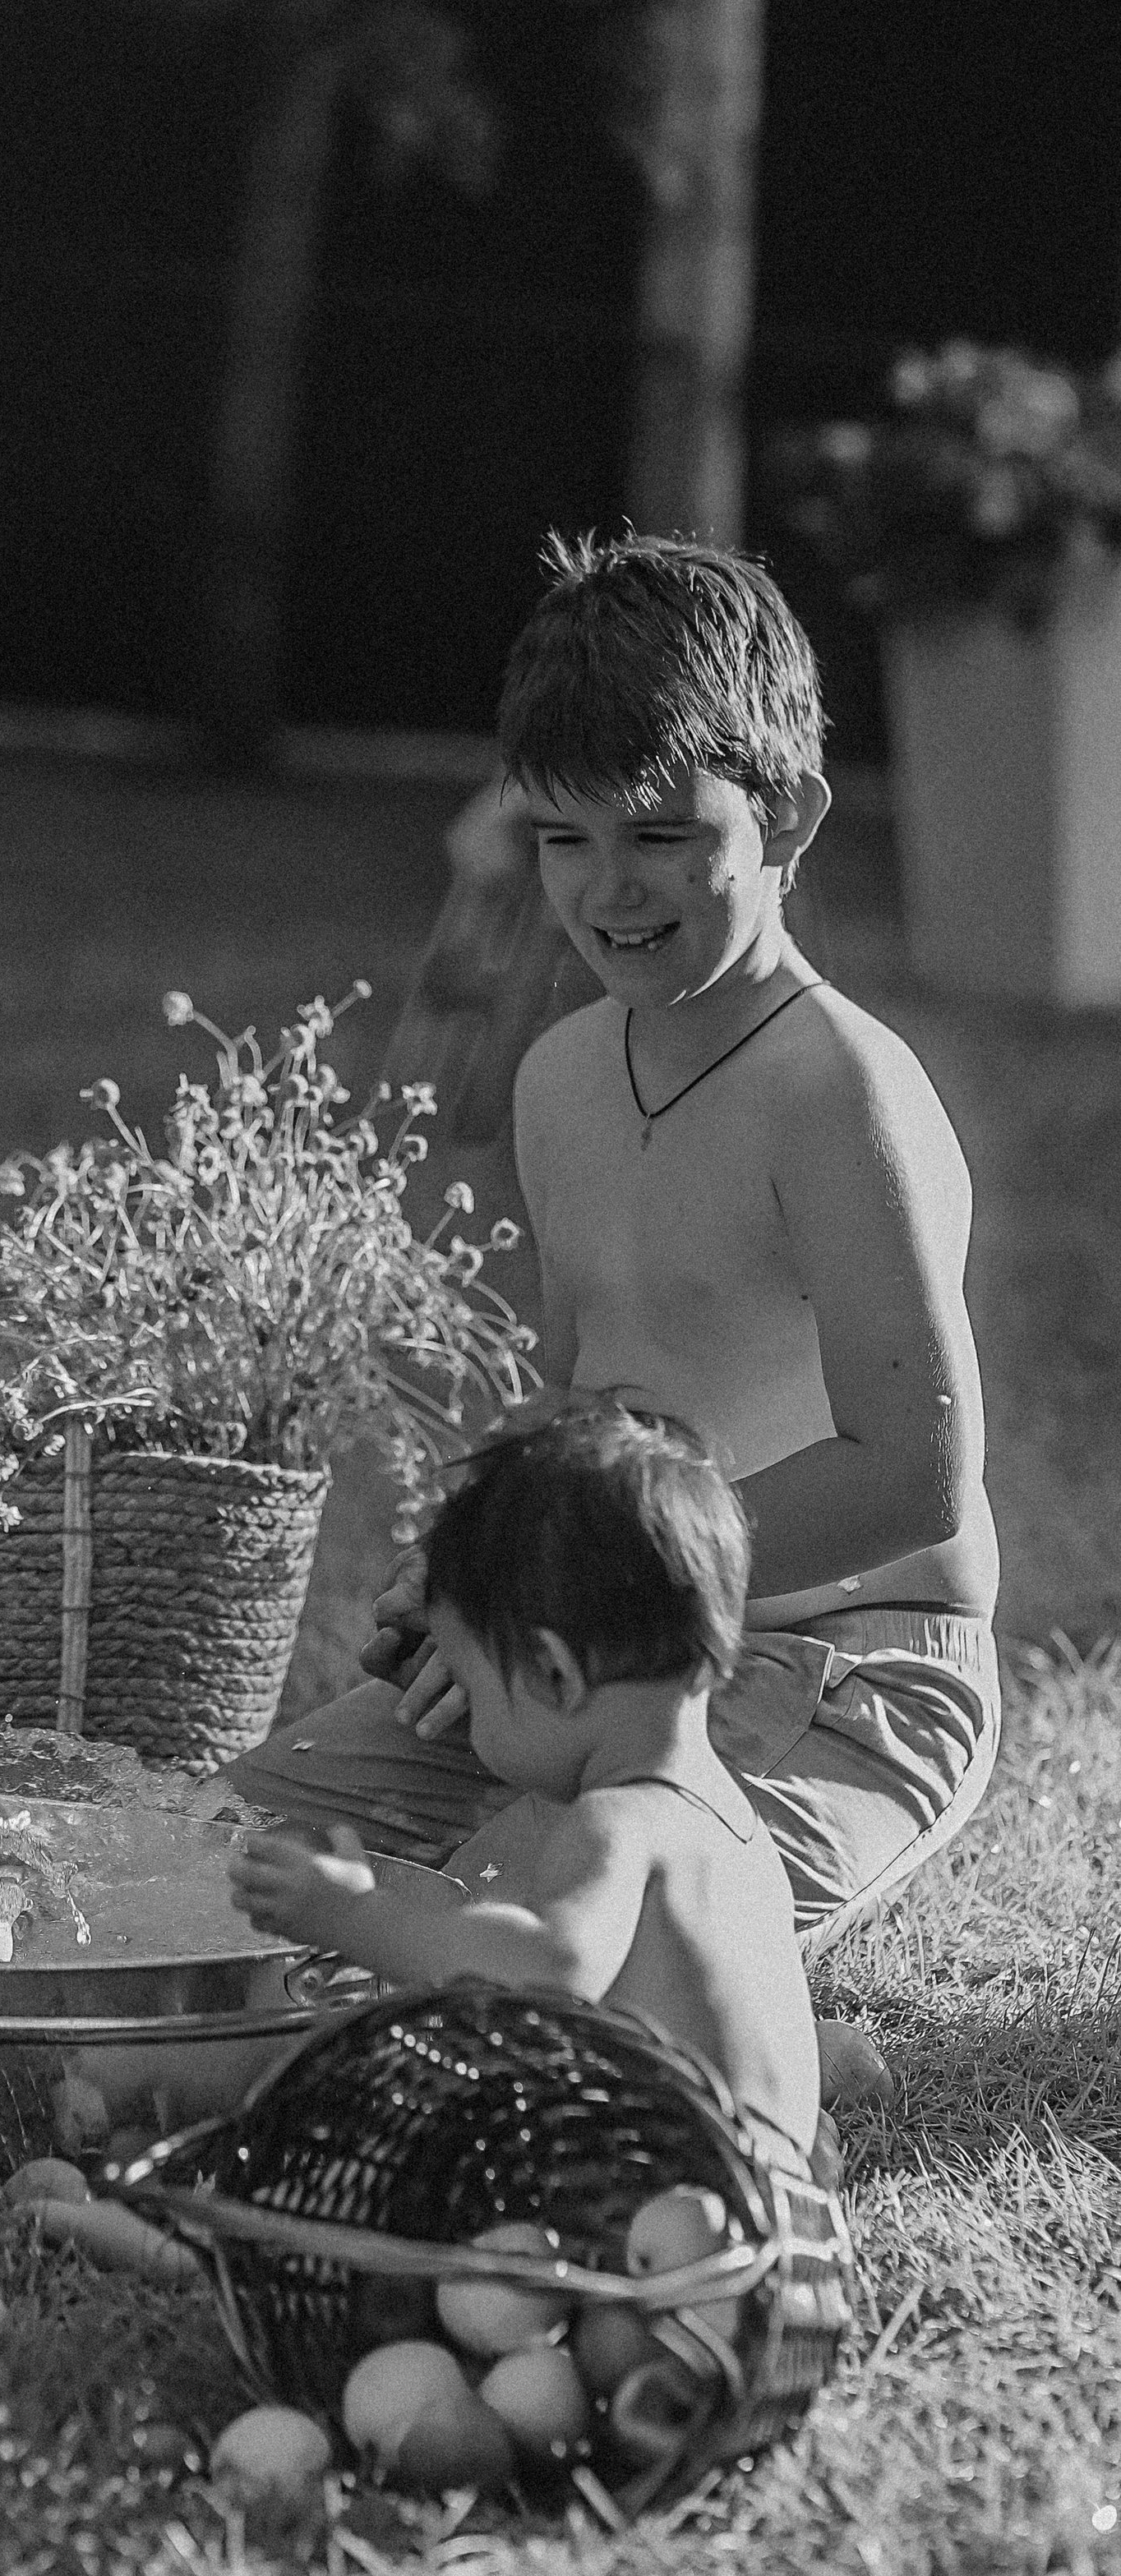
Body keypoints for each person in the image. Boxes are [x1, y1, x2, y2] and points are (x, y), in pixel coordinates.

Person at [228, 532, 1001, 1991]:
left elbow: (916, 1472)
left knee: (464, 1964)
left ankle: (748, 2038)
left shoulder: (841, 1089)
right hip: (593, 1652)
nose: (606, 890)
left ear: (790, 819)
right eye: (562, 838)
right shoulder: (564, 1075)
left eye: (659, 834)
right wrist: (477, 1581)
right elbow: (580, 1401)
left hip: (842, 1670)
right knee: (227, 1878)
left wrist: (589, 1598)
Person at [231, 1405, 822, 2170]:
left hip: (650, 2213)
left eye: (472, 1685)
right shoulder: (730, 1825)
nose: (468, 1722)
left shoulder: (617, 1821)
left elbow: (550, 1970)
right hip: (766, 2211)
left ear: (551, 1673)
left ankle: (176, 2236)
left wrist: (356, 1916)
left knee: (381, 2145)